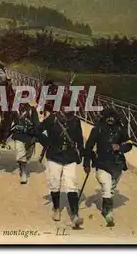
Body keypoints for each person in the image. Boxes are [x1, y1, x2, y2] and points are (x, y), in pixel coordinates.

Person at [35, 96, 85, 229]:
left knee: (71, 184)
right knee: (55, 182)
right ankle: (56, 208)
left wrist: (83, 155)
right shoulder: (52, 118)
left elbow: (79, 139)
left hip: (70, 157)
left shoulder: (75, 120)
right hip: (54, 156)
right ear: (61, 107)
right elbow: (37, 130)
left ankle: (74, 214)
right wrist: (46, 143)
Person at [83, 108, 133, 227]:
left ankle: (106, 202)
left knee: (111, 187)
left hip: (117, 165)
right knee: (107, 186)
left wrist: (120, 148)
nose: (110, 119)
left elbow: (129, 143)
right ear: (104, 117)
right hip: (102, 163)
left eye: (113, 117)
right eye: (108, 117)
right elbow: (88, 147)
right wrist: (86, 163)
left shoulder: (120, 129)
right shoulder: (97, 129)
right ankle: (108, 212)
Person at [11, 96, 39, 184]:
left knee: (27, 155)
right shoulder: (15, 110)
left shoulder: (32, 110)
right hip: (18, 135)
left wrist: (36, 137)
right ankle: (23, 173)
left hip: (29, 136)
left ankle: (21, 167)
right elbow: (10, 123)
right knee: (20, 153)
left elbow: (36, 123)